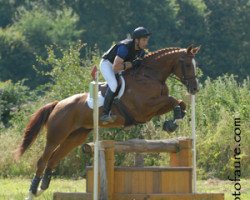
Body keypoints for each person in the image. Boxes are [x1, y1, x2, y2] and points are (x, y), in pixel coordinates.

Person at [99, 26, 151, 124]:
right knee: (114, 84)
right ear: (136, 40)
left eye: (146, 40)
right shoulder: (124, 47)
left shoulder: (141, 52)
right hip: (108, 64)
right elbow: (115, 67)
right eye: (144, 40)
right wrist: (132, 64)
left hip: (119, 66)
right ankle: (105, 114)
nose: (146, 43)